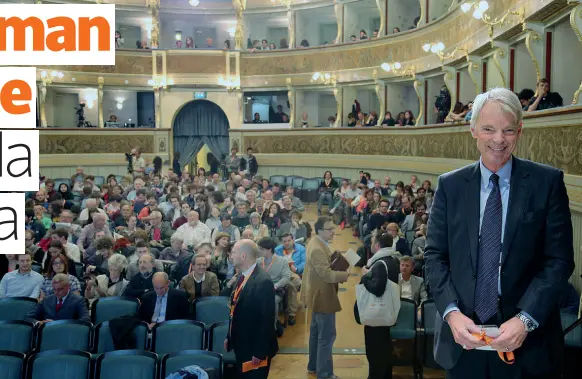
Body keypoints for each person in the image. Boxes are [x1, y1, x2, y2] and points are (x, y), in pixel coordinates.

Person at [424, 88, 574, 379]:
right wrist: (452, 314)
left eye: (508, 130)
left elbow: (559, 261)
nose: (498, 140)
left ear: (519, 130)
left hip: (529, 346)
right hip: (463, 342)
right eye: (489, 129)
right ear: (473, 129)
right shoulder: (450, 186)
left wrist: (525, 320)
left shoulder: (548, 182)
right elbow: (435, 256)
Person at [302, 216, 350, 379]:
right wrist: (345, 274)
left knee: (316, 334)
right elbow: (326, 274)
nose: (333, 232)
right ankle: (325, 373)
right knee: (326, 337)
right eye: (330, 229)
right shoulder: (316, 248)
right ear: (320, 230)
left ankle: (313, 366)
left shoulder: (318, 243)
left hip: (317, 295)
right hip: (322, 297)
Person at [225, 239, 278, 378]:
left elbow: (267, 319)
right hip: (242, 344)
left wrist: (260, 352)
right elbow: (235, 309)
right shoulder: (242, 276)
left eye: (234, 252)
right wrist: (229, 336)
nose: (231, 255)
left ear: (243, 256)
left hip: (255, 350)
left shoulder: (263, 281)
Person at [356, 231, 400, 379]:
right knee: (384, 354)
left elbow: (378, 289)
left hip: (376, 316)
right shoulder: (392, 260)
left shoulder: (380, 263)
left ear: (378, 245)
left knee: (375, 355)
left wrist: (365, 276)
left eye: (373, 241)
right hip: (386, 314)